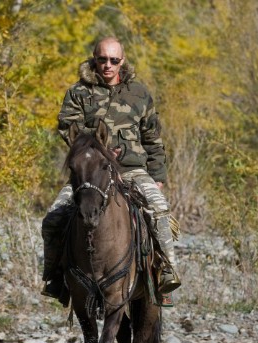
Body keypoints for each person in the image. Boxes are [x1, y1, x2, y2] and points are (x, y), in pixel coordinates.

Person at [41, 36, 181, 306]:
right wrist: (97, 152)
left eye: (114, 60)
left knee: (160, 211)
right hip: (90, 173)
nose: (108, 65)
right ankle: (55, 277)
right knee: (52, 219)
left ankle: (165, 273)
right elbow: (68, 129)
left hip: (132, 171)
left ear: (122, 61)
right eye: (102, 59)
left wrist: (158, 176)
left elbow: (153, 138)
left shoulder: (139, 93)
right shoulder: (78, 93)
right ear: (94, 59)